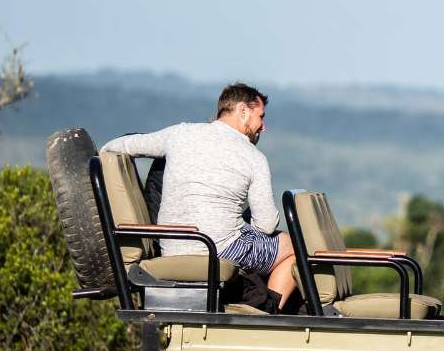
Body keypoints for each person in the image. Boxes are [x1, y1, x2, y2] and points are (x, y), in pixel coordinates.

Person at [100, 83, 297, 312]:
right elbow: (266, 225)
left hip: (171, 247)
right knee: (295, 247)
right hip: (218, 250)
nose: (263, 126)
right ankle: (269, 312)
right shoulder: (254, 158)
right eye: (260, 117)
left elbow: (122, 145)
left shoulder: (181, 133)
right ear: (243, 111)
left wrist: (98, 155)